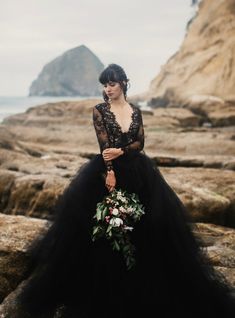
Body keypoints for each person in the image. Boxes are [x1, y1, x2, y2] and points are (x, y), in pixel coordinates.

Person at [15, 63, 235, 318]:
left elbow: (140, 142)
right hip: (107, 171)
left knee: (149, 223)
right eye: (105, 85)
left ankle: (144, 281)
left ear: (123, 84)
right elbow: (104, 146)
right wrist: (110, 171)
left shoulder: (136, 111)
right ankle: (100, 285)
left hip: (138, 171)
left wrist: (123, 150)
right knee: (103, 227)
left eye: (112, 84)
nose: (108, 89)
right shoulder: (99, 111)